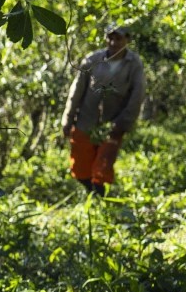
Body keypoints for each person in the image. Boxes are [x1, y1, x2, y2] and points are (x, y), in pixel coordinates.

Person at [62, 24, 146, 196]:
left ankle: (100, 199)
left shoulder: (134, 64)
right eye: (110, 38)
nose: (114, 42)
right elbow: (76, 91)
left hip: (113, 124)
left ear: (127, 40)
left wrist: (123, 122)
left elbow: (137, 95)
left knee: (103, 166)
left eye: (119, 38)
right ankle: (90, 193)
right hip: (85, 121)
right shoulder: (92, 60)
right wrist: (67, 119)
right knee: (80, 165)